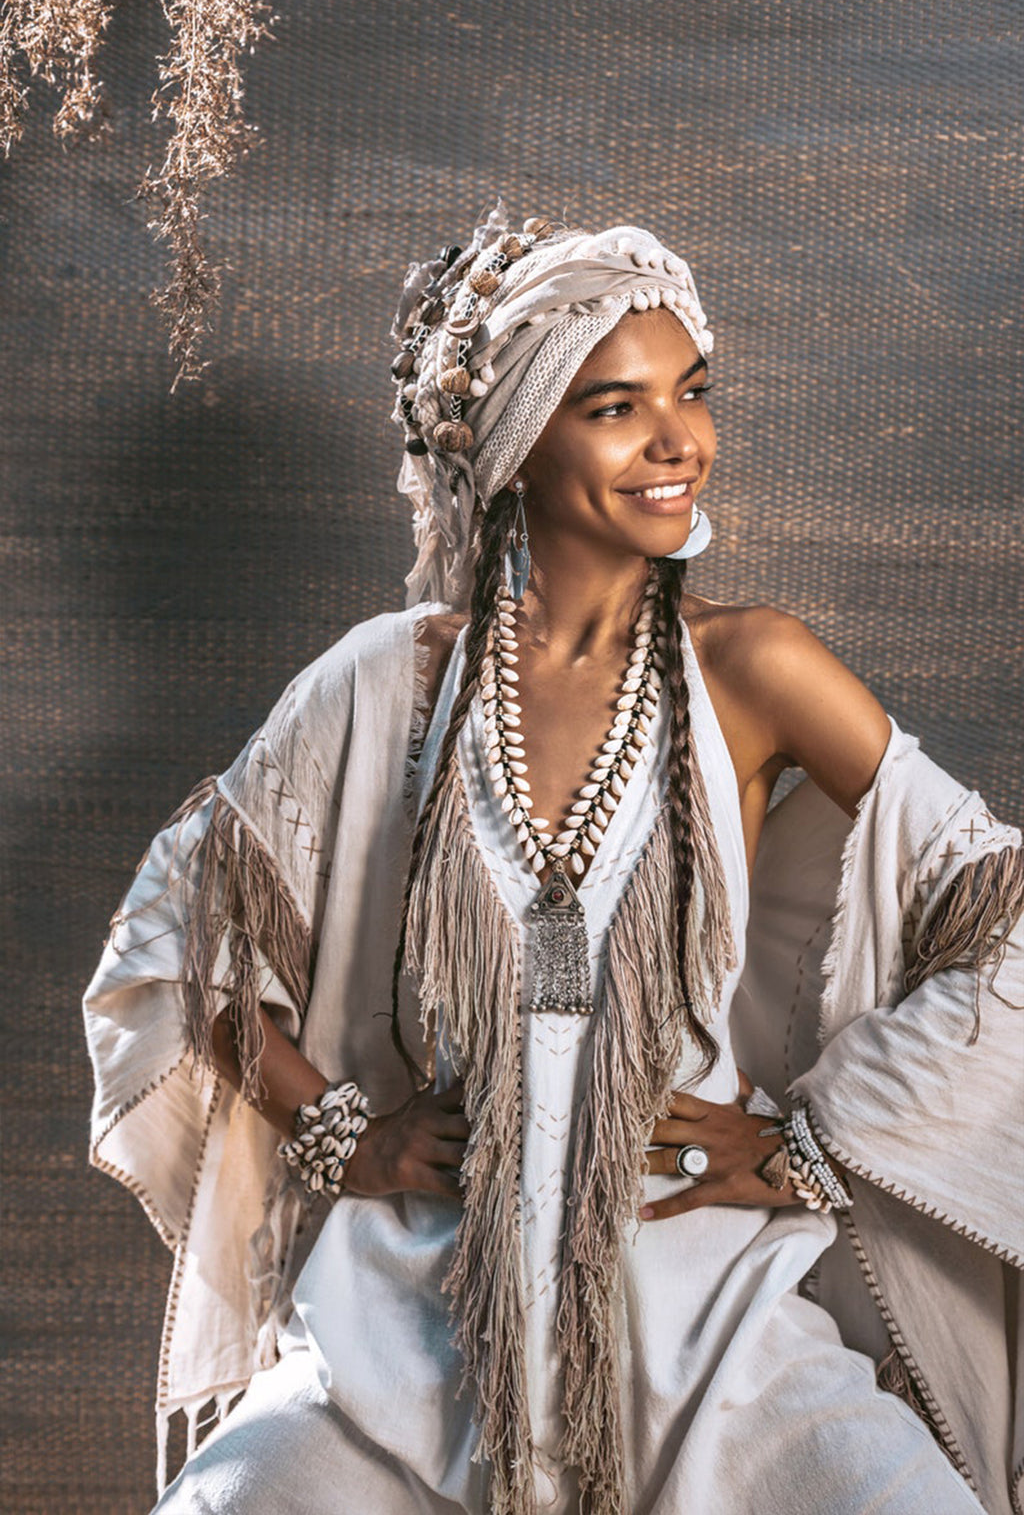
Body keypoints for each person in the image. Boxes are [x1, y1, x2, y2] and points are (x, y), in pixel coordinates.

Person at [83, 207, 1023, 1515]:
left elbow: (1000, 905)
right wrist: (344, 1134)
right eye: (616, 407)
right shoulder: (392, 684)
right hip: (413, 1321)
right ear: (517, 441)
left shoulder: (752, 669)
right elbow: (184, 952)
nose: (677, 441)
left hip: (708, 1321)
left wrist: (815, 1142)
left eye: (691, 394)